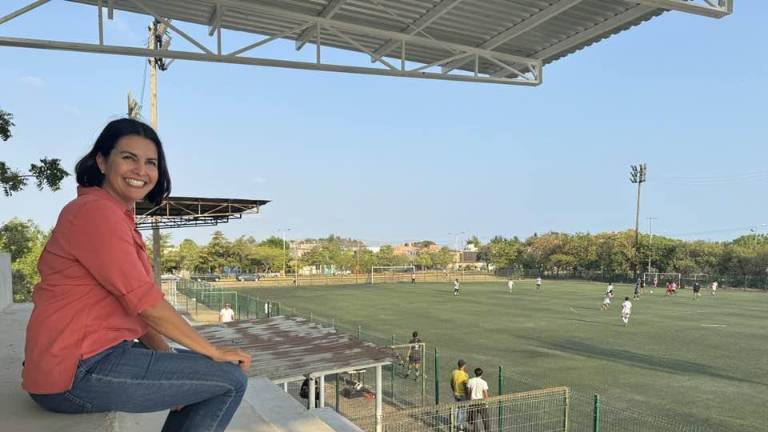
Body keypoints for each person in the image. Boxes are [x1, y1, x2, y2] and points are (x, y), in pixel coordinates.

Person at [21, 119, 251, 432]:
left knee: (212, 372)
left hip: (87, 361)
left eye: (150, 162)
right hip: (76, 372)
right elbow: (147, 304)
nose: (140, 170)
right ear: (102, 161)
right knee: (230, 378)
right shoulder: (96, 213)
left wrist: (176, 375)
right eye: (128, 157)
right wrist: (212, 350)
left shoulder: (116, 217)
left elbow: (138, 312)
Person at [466, 368, 490, 432]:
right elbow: (486, 394)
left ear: (475, 373)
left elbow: (468, 392)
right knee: (485, 419)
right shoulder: (484, 382)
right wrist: (486, 403)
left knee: (474, 420)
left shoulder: (470, 381)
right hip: (481, 402)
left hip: (472, 402)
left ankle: (476, 430)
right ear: (481, 374)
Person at [450, 359, 469, 430]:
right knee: (462, 410)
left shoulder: (454, 372)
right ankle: (460, 426)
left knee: (457, 409)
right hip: (462, 394)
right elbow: (465, 385)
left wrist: (454, 390)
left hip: (455, 393)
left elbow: (451, 383)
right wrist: (467, 395)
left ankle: (455, 423)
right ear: (464, 365)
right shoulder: (465, 375)